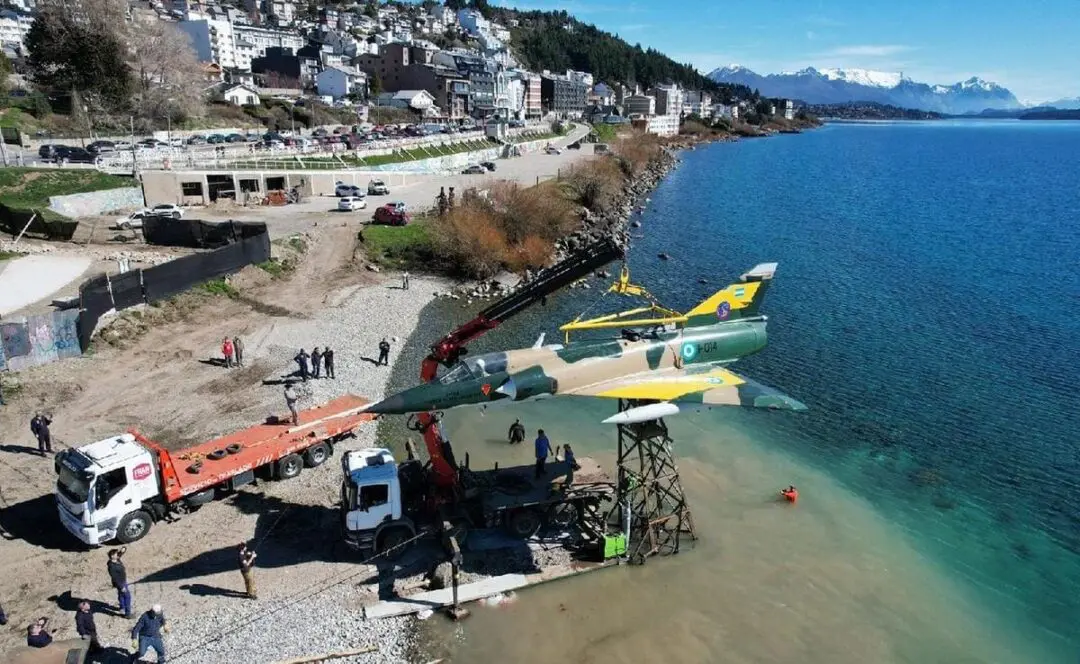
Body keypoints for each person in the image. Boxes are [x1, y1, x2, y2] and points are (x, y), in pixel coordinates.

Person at [107, 546, 133, 618]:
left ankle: (122, 608)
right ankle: (128, 614)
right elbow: (115, 578)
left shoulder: (116, 559)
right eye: (116, 554)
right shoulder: (112, 566)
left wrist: (123, 549)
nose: (117, 554)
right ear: (112, 556)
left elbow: (120, 554)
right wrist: (121, 587)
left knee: (121, 595)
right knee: (127, 597)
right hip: (120, 583)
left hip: (122, 581)